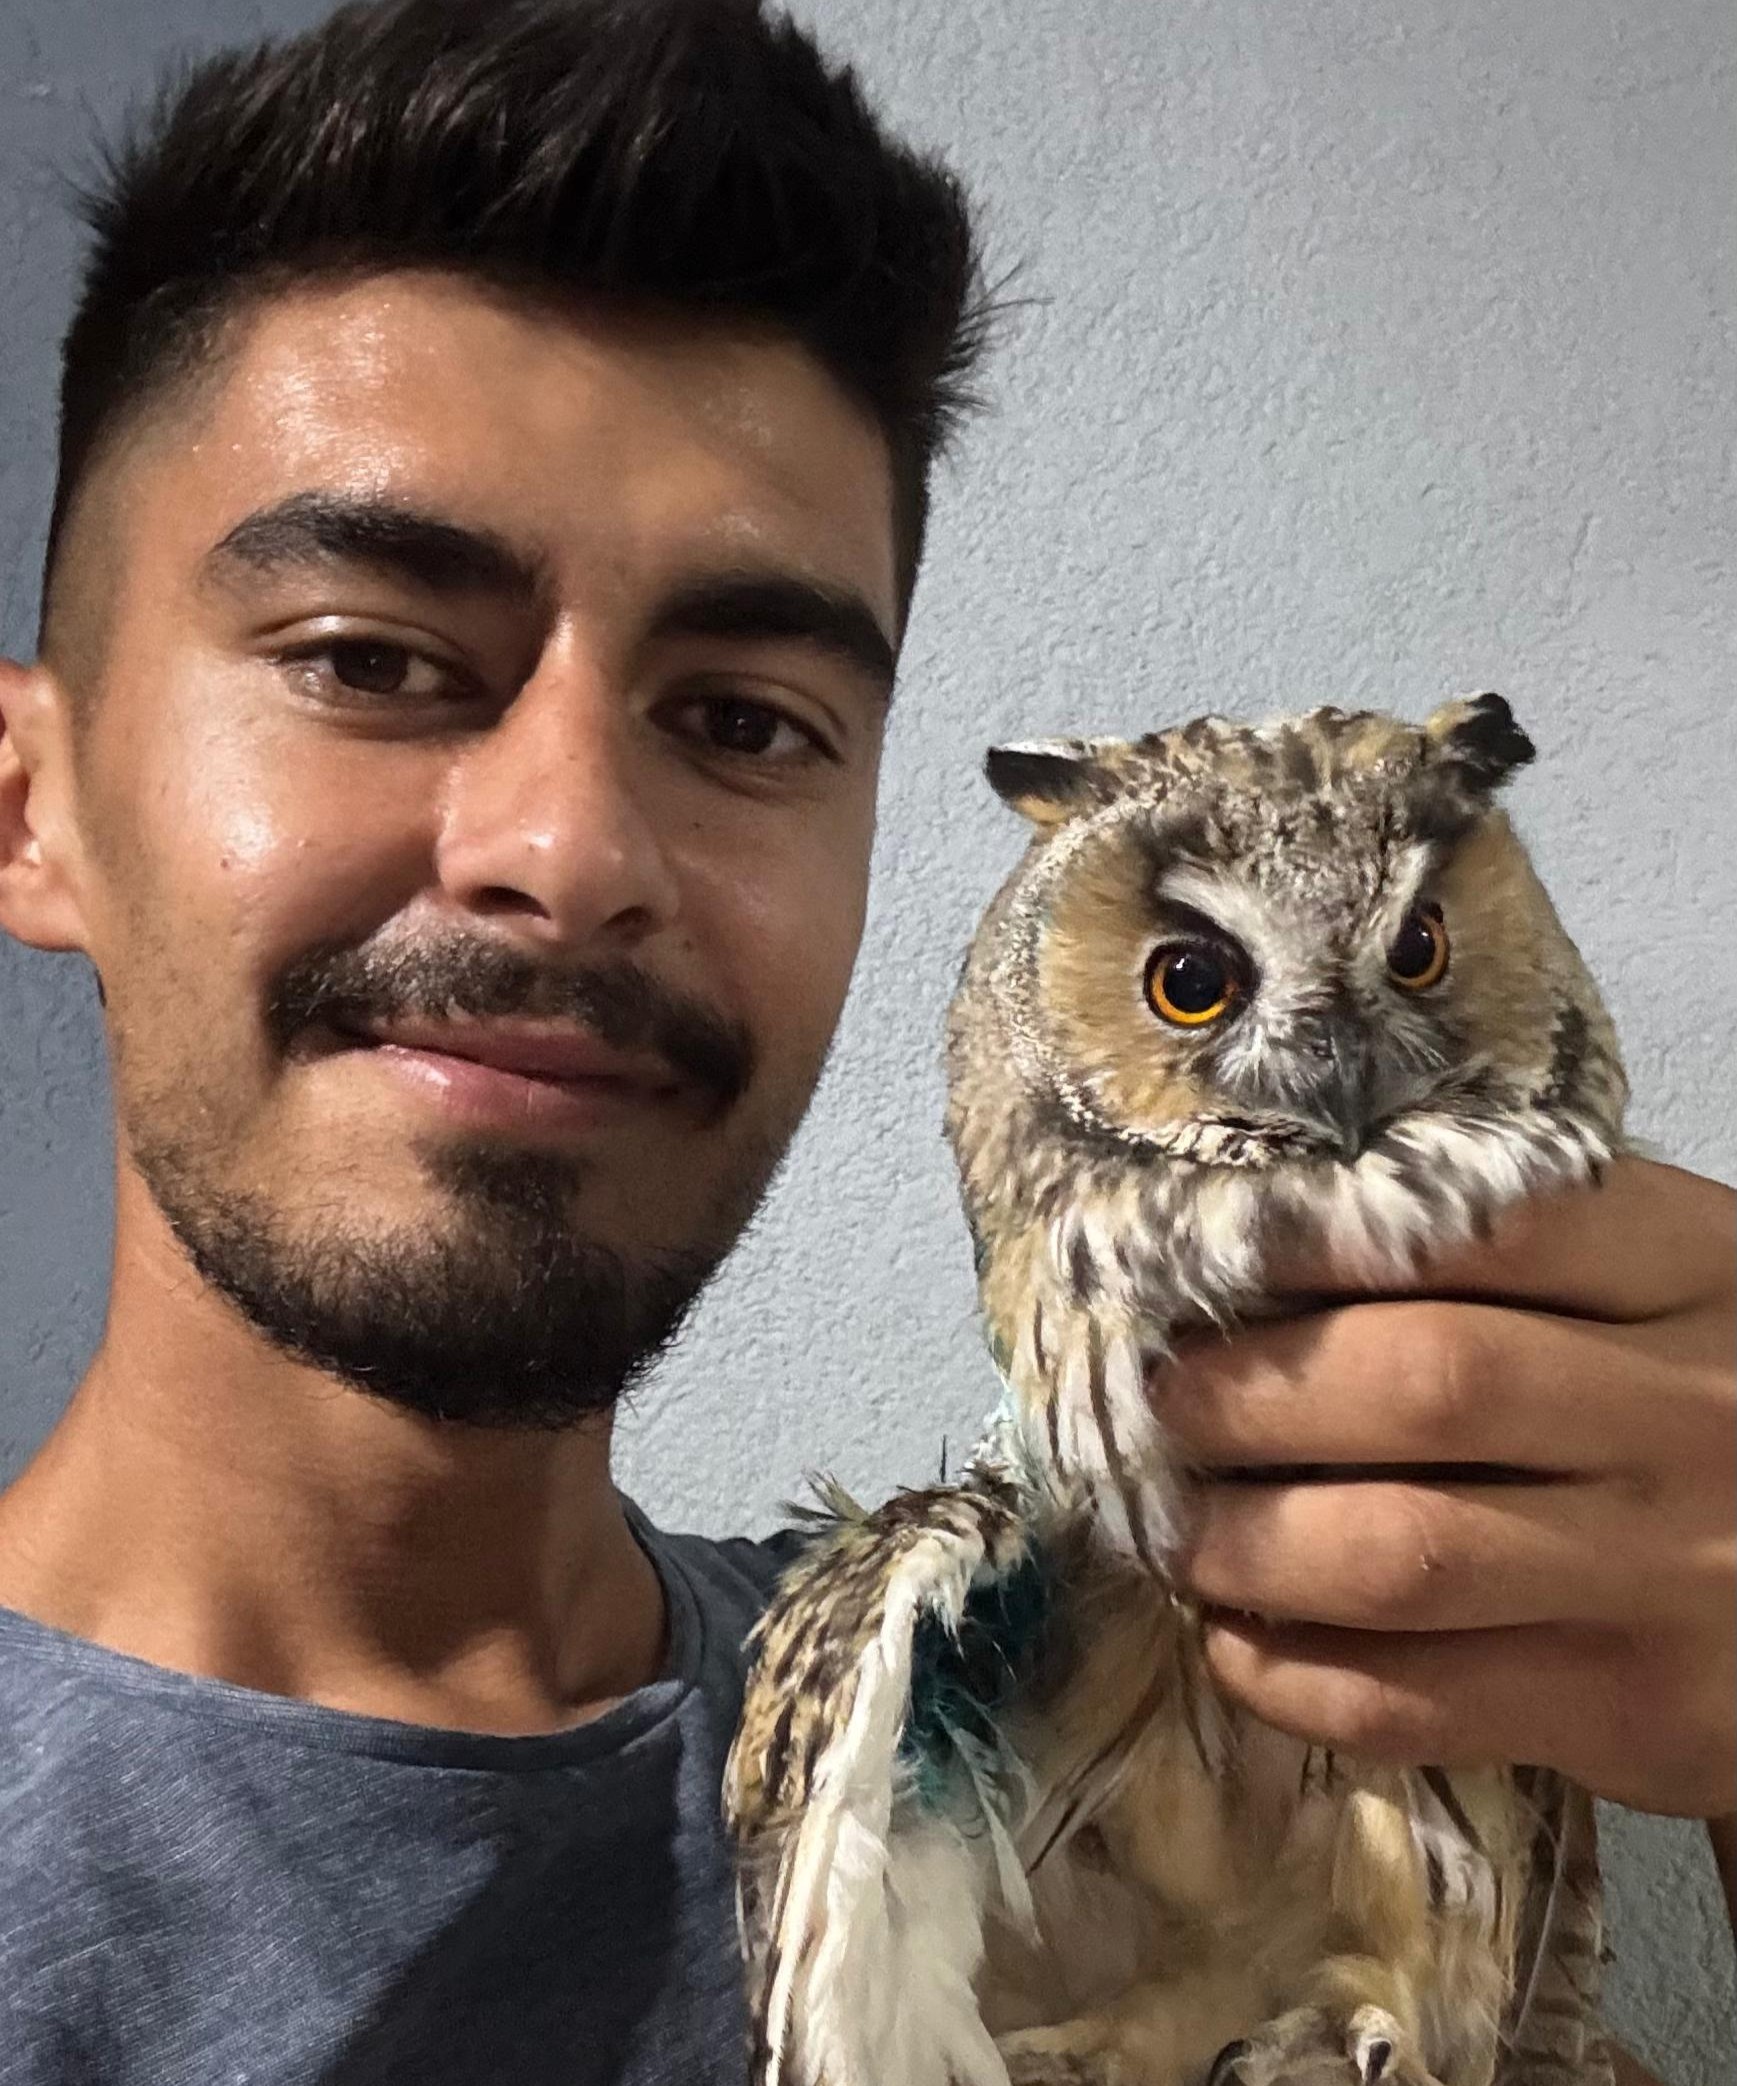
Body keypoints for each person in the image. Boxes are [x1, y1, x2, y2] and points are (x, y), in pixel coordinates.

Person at [0, 0, 1727, 2079]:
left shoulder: (1045, 1688)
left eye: (742, 719)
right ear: (33, 805)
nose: (570, 848)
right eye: (370, 659)